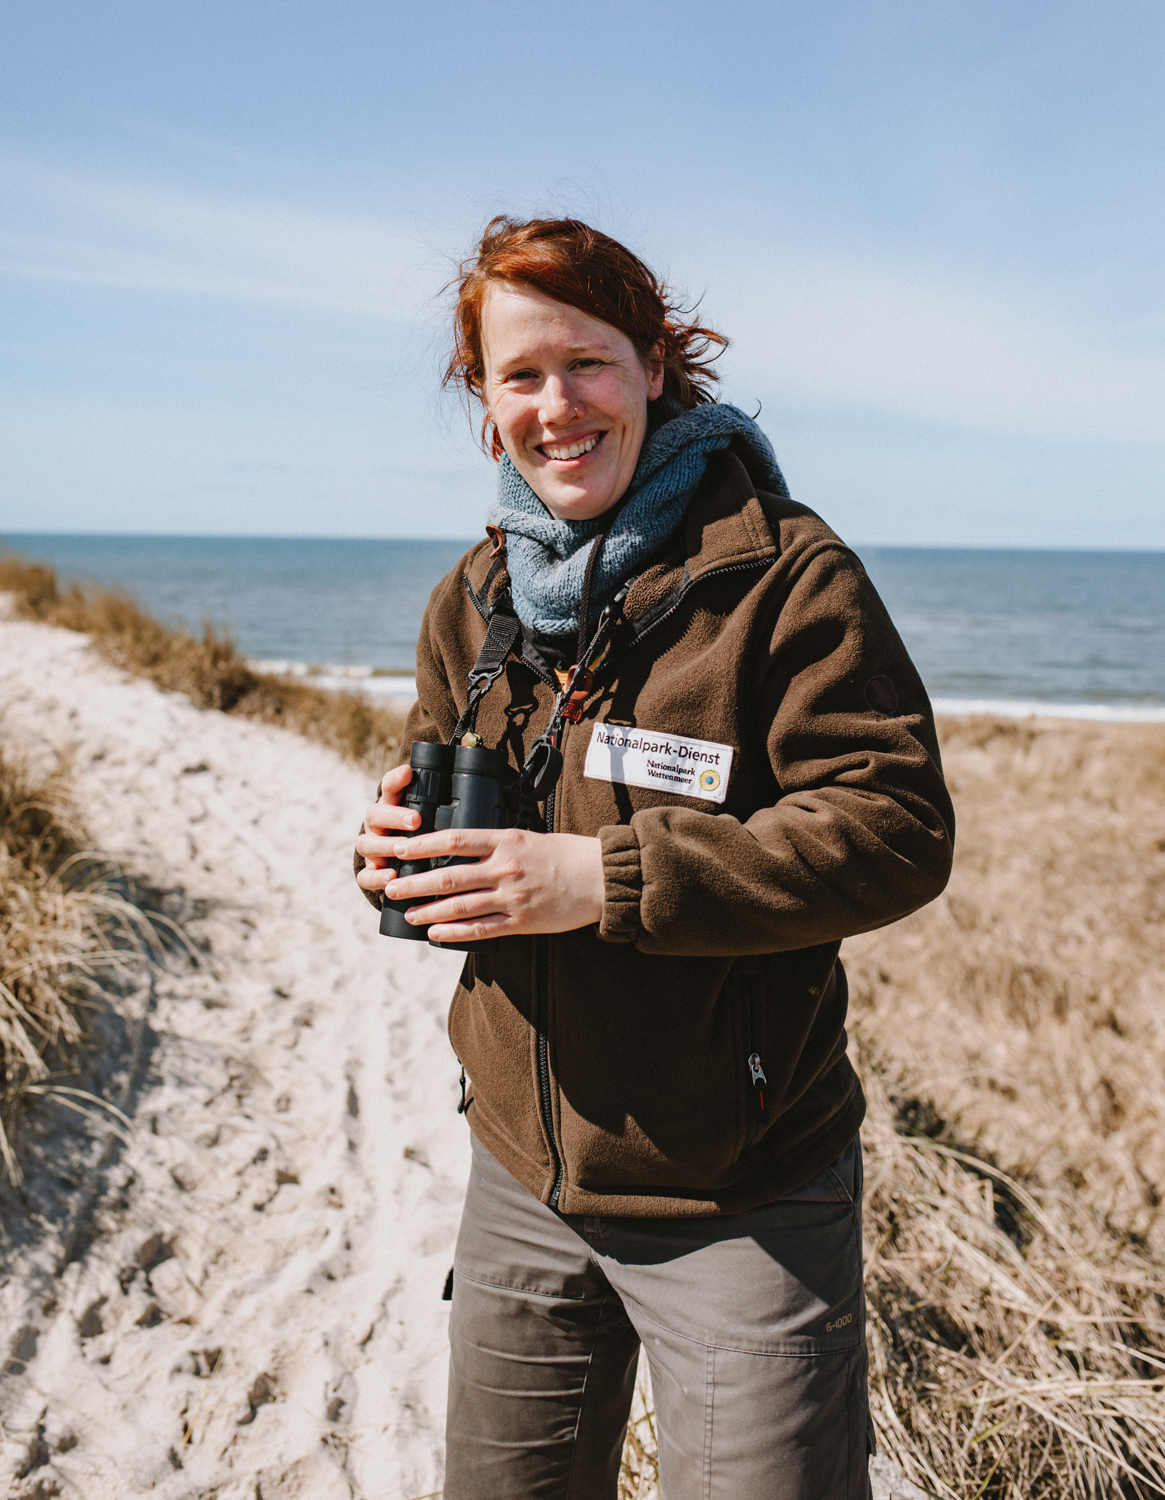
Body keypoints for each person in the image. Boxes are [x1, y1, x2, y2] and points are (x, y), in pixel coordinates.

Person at [354, 216, 954, 1500]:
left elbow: (894, 827)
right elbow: (458, 799)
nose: (556, 405)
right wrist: (398, 852)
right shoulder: (479, 597)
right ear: (484, 404)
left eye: (588, 363)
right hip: (522, 1171)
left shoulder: (789, 578)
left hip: (741, 1196)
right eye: (519, 376)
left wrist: (602, 880)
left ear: (655, 370)